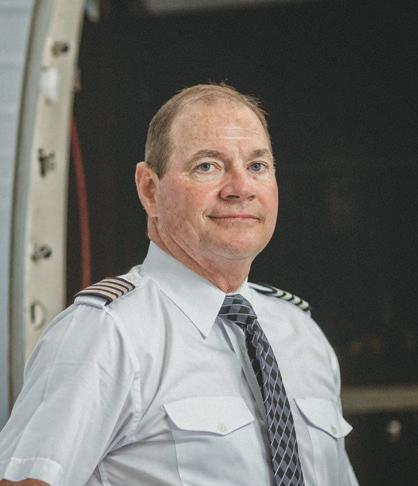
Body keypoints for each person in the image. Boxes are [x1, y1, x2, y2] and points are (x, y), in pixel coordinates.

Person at [0, 83, 358, 486]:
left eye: (257, 166)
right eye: (208, 166)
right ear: (149, 190)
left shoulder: (301, 334)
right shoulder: (107, 335)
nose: (241, 188)